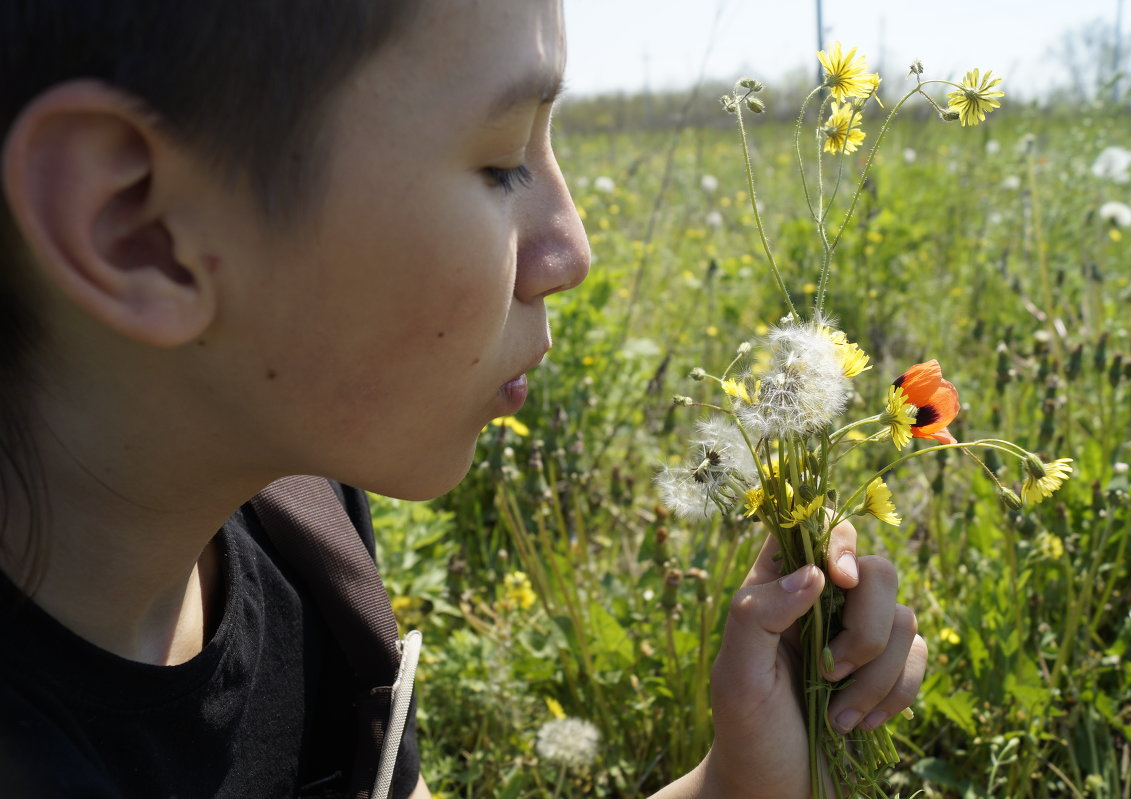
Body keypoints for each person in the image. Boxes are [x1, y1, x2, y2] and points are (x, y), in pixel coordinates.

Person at [0, 1, 928, 797]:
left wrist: (736, 782)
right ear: (137, 225)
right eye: (500, 163)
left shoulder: (302, 533)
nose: (571, 253)